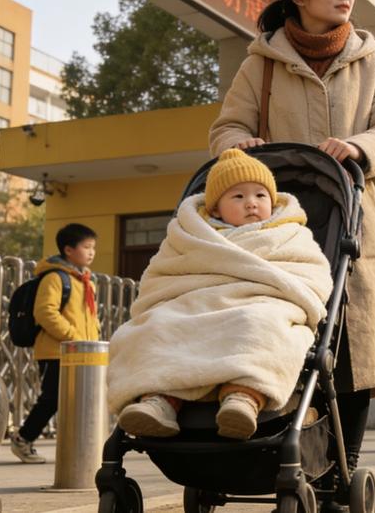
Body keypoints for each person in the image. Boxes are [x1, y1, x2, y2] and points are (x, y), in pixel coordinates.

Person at [209, 0, 375, 494]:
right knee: (285, 340)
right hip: (279, 228)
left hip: (355, 222)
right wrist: (241, 145)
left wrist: (360, 146)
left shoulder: (372, 62)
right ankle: (286, 460)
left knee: (353, 354)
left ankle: (341, 473)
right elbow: (226, 128)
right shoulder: (261, 63)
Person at [107, 150, 333, 440]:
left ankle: (243, 397)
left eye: (261, 195)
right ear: (215, 209)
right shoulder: (189, 235)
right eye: (238, 196)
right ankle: (159, 401)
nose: (251, 202)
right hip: (191, 303)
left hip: (262, 301)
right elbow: (161, 277)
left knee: (260, 324)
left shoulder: (290, 234)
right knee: (158, 325)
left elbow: (312, 275)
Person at [10, 223, 101, 463]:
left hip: (82, 352)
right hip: (56, 352)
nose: (91, 252)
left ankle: (79, 447)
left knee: (79, 400)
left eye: (93, 247)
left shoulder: (86, 281)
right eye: (86, 247)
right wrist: (73, 336)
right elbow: (45, 313)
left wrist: (92, 340)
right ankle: (23, 438)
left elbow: (90, 317)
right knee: (52, 398)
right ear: (68, 250)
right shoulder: (55, 278)